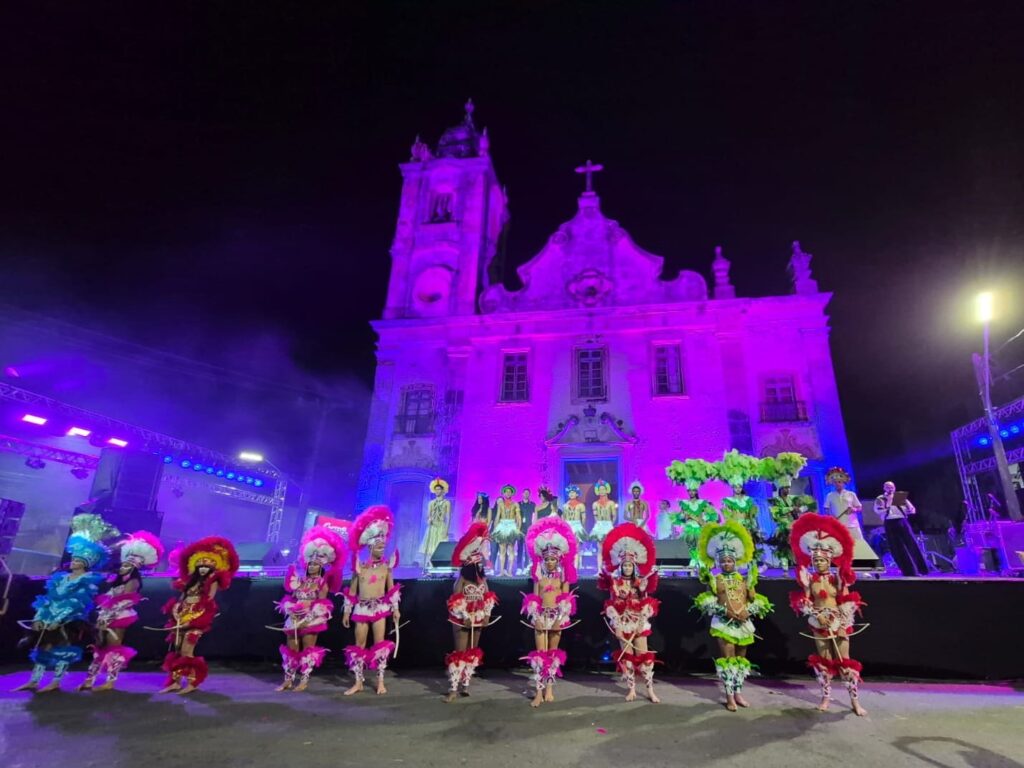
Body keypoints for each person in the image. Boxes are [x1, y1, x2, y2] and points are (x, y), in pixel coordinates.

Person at [788, 513, 867, 716]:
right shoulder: (809, 580)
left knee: (844, 662)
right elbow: (805, 601)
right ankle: (825, 697)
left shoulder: (838, 578)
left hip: (838, 622)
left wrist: (842, 625)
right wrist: (816, 615)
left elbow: (847, 601)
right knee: (824, 663)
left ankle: (855, 701)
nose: (818, 563)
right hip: (819, 622)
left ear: (829, 559)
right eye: (815, 560)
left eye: (821, 560)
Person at [692, 521, 773, 712]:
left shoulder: (743, 579)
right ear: (719, 563)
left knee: (740, 660)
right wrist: (725, 612)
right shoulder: (715, 580)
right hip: (724, 624)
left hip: (743, 623)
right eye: (723, 561)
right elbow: (707, 602)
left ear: (735, 561)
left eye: (729, 561)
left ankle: (738, 693)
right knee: (728, 660)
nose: (726, 564)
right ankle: (729, 697)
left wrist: (748, 610)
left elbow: (754, 600)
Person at [13, 535, 109, 693]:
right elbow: (48, 599)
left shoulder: (87, 580)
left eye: (77, 560)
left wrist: (60, 619)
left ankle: (56, 681)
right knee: (43, 647)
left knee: (63, 649)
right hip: (49, 616)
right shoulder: (61, 578)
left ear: (85, 564)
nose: (73, 562)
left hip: (70, 619)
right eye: (73, 559)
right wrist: (39, 617)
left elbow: (78, 603)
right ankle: (34, 681)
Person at [81, 530, 164, 691]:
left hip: (120, 617)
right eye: (122, 565)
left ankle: (110, 682)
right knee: (99, 648)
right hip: (105, 616)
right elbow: (107, 601)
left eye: (126, 566)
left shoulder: (133, 582)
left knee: (114, 648)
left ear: (133, 568)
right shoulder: (118, 582)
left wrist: (108, 617)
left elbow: (126, 602)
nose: (122, 568)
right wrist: (102, 615)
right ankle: (89, 679)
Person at [159, 536, 239, 694]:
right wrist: (175, 612)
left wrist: (193, 620)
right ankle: (175, 682)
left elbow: (208, 602)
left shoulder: (212, 581)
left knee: (187, 651)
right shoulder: (190, 581)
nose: (203, 568)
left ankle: (192, 682)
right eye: (200, 564)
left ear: (213, 567)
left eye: (207, 565)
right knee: (177, 650)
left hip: (198, 618)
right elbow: (181, 599)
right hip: (181, 616)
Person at [275, 525, 346, 692]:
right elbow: (291, 597)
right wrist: (290, 607)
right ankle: (288, 679)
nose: (313, 563)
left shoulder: (322, 582)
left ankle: (303, 681)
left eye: (317, 560)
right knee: (291, 649)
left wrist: (310, 615)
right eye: (311, 560)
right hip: (294, 618)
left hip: (311, 619)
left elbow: (323, 602)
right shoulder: (299, 580)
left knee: (308, 650)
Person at [341, 505, 401, 696]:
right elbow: (352, 591)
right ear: (370, 545)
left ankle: (380, 681)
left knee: (380, 645)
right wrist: (347, 612)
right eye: (379, 545)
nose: (382, 548)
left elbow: (391, 590)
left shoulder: (386, 567)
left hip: (380, 609)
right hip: (361, 609)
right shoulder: (359, 567)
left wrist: (396, 609)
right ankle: (358, 682)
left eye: (384, 545)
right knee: (359, 646)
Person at [598, 522, 660, 703]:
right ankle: (631, 689)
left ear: (634, 566)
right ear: (620, 566)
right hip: (623, 622)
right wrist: (617, 625)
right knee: (628, 657)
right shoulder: (615, 583)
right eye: (624, 565)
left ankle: (650, 690)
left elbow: (647, 602)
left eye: (630, 565)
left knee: (644, 656)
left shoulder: (640, 583)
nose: (627, 568)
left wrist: (642, 620)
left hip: (638, 622)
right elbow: (611, 604)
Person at [521, 516, 578, 707]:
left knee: (553, 655)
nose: (550, 562)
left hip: (556, 618)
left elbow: (566, 600)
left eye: (553, 559)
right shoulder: (539, 578)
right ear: (543, 560)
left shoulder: (563, 578)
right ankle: (538, 692)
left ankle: (550, 688)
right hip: (541, 618)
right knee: (540, 655)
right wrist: (536, 618)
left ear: (558, 559)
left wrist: (560, 620)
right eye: (547, 559)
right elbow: (534, 600)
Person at [444, 521, 497, 702]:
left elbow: (488, 597)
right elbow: (454, 601)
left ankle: (465, 685)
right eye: (476, 563)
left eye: (480, 563)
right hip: (461, 620)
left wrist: (487, 614)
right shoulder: (462, 580)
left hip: (478, 619)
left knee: (472, 652)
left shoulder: (482, 580)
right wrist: (465, 616)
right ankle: (453, 689)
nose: (479, 566)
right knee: (459, 653)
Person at [759, 453, 816, 572]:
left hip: (794, 526)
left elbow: (806, 506)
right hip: (782, 528)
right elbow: (775, 513)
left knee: (798, 546)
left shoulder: (793, 499)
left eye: (788, 488)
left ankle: (801, 566)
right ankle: (785, 569)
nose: (787, 490)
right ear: (780, 489)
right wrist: (791, 509)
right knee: (783, 548)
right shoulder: (775, 500)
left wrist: (801, 509)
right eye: (785, 488)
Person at [666, 457, 721, 557]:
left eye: (693, 490)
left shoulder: (702, 503)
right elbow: (680, 517)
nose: (691, 492)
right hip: (688, 529)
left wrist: (703, 519)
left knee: (700, 550)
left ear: (696, 491)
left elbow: (711, 515)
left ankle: (700, 564)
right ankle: (691, 565)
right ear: (688, 491)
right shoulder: (685, 503)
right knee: (689, 551)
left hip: (699, 528)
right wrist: (683, 516)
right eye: (690, 491)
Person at [874, 481, 928, 577]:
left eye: (892, 487)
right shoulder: (881, 498)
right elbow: (878, 511)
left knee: (911, 544)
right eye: (888, 487)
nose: (890, 489)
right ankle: (909, 571)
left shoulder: (899, 497)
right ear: (884, 488)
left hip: (902, 521)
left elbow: (912, 509)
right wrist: (889, 502)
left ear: (894, 488)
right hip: (890, 523)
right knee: (898, 548)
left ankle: (920, 569)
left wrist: (909, 509)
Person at [717, 451, 764, 561]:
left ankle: (751, 565)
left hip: (747, 527)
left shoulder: (748, 500)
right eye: (735, 487)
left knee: (749, 548)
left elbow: (752, 515)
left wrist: (756, 526)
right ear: (732, 487)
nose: (737, 489)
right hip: (734, 528)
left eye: (739, 487)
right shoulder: (728, 501)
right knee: (735, 548)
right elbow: (727, 517)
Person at [823, 466, 867, 544]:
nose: (837, 484)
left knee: (859, 544)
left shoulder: (851, 494)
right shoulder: (830, 495)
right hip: (838, 526)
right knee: (843, 546)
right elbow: (826, 508)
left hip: (852, 525)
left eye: (839, 482)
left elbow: (859, 507)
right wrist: (830, 516)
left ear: (844, 483)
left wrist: (854, 509)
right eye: (835, 482)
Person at [418, 477, 451, 572]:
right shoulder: (431, 503)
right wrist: (428, 520)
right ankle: (429, 567)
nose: (437, 491)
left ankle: (438, 567)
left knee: (439, 546)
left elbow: (448, 517)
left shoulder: (447, 503)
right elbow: (428, 516)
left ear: (442, 490)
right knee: (430, 547)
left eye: (439, 489)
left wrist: (447, 530)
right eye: (436, 489)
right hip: (432, 526)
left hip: (441, 526)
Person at [491, 483, 523, 577]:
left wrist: (518, 528)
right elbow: (497, 516)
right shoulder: (500, 504)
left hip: (511, 525)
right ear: (504, 493)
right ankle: (501, 571)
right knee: (502, 550)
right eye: (506, 492)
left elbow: (518, 517)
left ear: (512, 493)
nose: (508, 493)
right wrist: (495, 529)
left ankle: (509, 571)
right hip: (502, 526)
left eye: (509, 492)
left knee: (511, 549)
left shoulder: (515, 504)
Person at [562, 484, 587, 571]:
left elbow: (583, 518)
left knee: (576, 548)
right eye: (570, 492)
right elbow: (563, 518)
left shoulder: (581, 505)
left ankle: (576, 568)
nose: (571, 494)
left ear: (577, 494)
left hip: (577, 525)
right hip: (568, 526)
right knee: (567, 548)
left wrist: (582, 527)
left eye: (573, 492)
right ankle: (568, 567)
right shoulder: (565, 506)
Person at [590, 479, 618, 545]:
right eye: (600, 489)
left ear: (606, 490)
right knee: (599, 544)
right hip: (599, 525)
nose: (602, 491)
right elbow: (595, 517)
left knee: (608, 544)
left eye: (603, 489)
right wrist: (598, 524)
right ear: (598, 491)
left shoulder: (611, 503)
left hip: (608, 524)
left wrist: (610, 524)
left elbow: (614, 516)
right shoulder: (595, 504)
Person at [517, 488, 537, 573]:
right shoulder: (518, 504)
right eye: (524, 493)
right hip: (520, 529)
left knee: (527, 549)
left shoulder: (533, 505)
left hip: (529, 529)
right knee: (519, 548)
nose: (526, 494)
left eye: (527, 493)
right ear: (522, 494)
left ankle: (526, 566)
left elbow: (535, 516)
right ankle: (519, 567)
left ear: (529, 495)